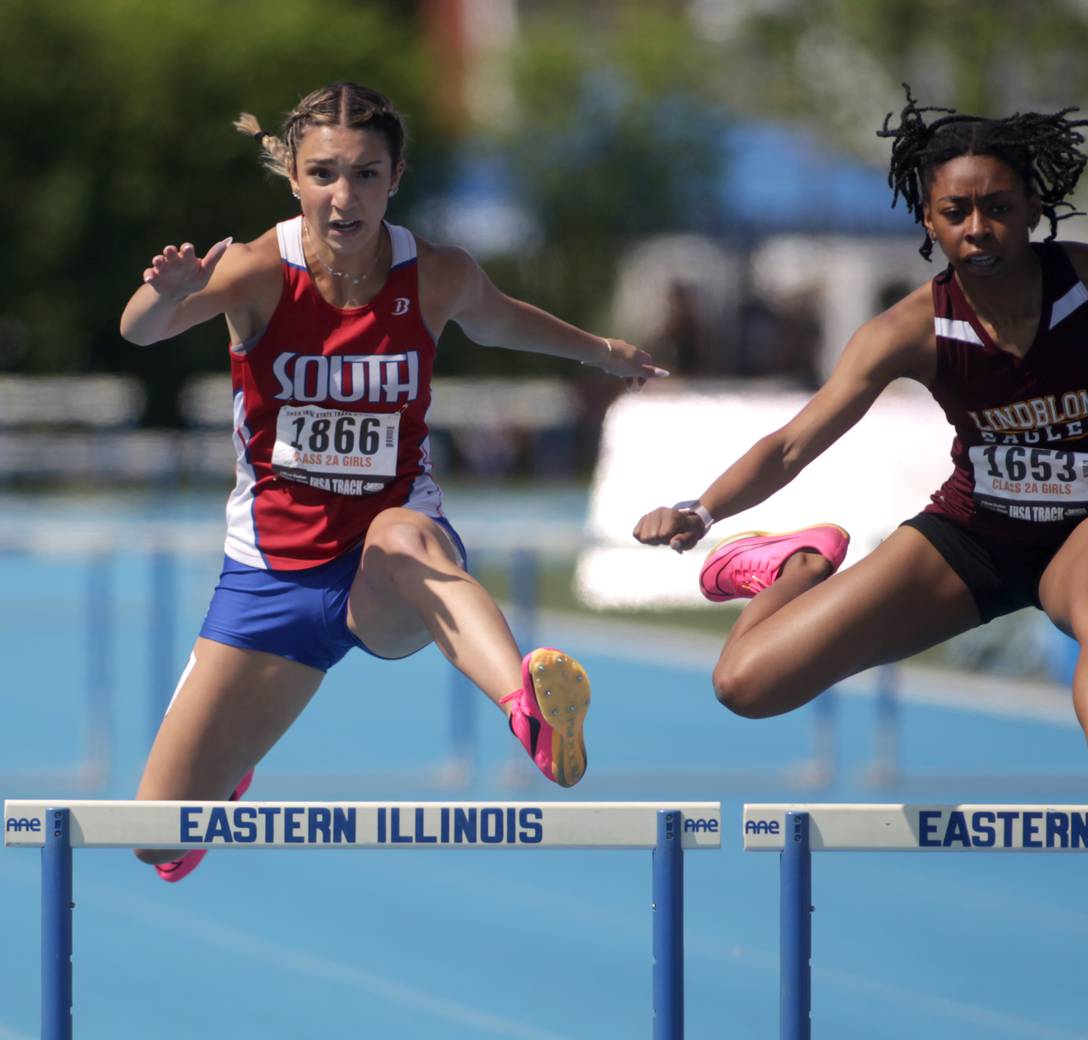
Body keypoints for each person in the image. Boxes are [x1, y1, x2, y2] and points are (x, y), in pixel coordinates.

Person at [120, 82, 665, 881]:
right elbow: (142, 329)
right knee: (154, 837)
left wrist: (602, 351)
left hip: (388, 570)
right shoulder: (259, 270)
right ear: (295, 179)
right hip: (270, 579)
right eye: (325, 174)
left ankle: (527, 709)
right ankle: (226, 773)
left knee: (405, 532)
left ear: (396, 177)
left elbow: (506, 317)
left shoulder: (436, 275)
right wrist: (164, 296)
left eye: (367, 174)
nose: (345, 197)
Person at [633, 85, 1088, 741]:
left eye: (998, 208)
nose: (978, 228)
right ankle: (797, 566)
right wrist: (701, 512)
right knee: (746, 684)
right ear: (929, 222)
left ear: (1032, 209)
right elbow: (792, 444)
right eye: (955, 212)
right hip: (977, 536)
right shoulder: (908, 331)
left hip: (1079, 533)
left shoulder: (1080, 285)